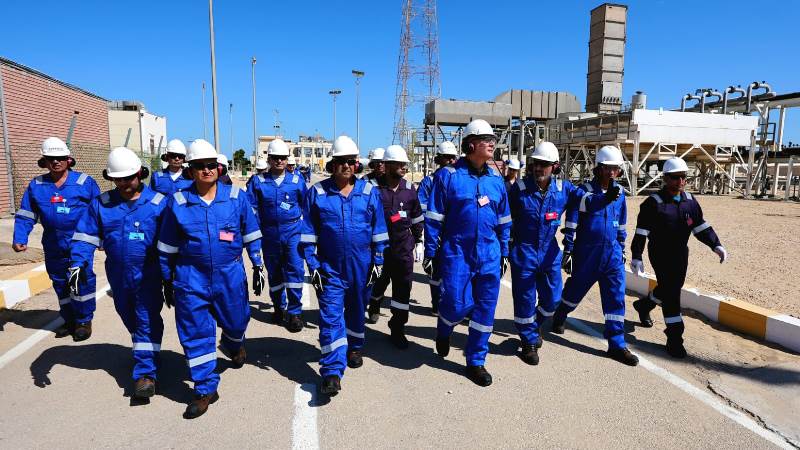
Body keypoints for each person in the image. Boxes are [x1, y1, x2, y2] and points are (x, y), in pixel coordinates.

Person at [157, 139, 264, 419]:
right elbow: (167, 245)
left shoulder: (236, 197)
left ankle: (232, 343)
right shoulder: (178, 202)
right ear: (190, 171)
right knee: (195, 333)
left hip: (230, 276)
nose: (206, 170)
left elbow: (251, 233)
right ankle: (204, 388)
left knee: (237, 321)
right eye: (199, 166)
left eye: (211, 165)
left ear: (218, 167)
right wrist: (166, 278)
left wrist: (258, 264)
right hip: (191, 277)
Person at [70, 147, 167, 399]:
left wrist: (172, 276)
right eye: (118, 179)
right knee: (129, 316)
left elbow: (173, 242)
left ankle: (145, 374)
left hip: (149, 274)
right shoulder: (101, 204)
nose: (124, 184)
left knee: (146, 318)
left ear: (140, 173)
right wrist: (78, 263)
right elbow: (85, 236)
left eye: (129, 178)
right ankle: (148, 352)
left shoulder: (158, 203)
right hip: (118, 274)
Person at [424, 119, 511, 387]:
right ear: (471, 145)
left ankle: (476, 361)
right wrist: (430, 252)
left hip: (489, 253)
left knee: (485, 308)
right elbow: (434, 218)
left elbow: (504, 220)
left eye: (493, 139)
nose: (492, 143)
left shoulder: (496, 180)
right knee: (455, 304)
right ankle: (444, 328)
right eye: (486, 139)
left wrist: (504, 252)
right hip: (457, 252)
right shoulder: (448, 176)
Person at [300, 135, 388, 396]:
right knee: (330, 317)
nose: (346, 165)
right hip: (330, 269)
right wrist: (313, 264)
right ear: (332, 164)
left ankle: (355, 347)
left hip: (363, 265)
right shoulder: (317, 193)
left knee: (357, 309)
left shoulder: (369, 192)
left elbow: (379, 230)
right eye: (341, 161)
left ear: (357, 164)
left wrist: (379, 260)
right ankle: (331, 371)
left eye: (351, 161)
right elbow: (308, 232)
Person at [630, 157, 727, 358]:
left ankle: (645, 305)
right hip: (660, 254)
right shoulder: (653, 203)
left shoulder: (690, 201)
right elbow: (641, 232)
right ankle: (674, 339)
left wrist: (715, 244)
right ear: (665, 178)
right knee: (672, 294)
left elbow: (700, 227)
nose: (681, 181)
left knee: (669, 288)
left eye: (683, 177)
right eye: (675, 177)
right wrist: (637, 255)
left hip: (680, 254)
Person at [551, 145, 639, 366]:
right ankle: (561, 313)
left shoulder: (620, 194)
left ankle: (617, 344)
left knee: (616, 298)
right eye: (607, 168)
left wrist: (622, 248)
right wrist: (569, 248)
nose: (611, 173)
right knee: (574, 292)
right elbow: (573, 221)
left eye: (615, 169)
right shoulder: (583, 191)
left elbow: (622, 224)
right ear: (598, 168)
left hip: (612, 255)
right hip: (587, 253)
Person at [13, 137, 100, 340]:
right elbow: (26, 214)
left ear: (68, 159)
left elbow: (98, 212)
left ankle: (83, 321)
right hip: (53, 243)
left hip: (80, 242)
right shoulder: (37, 185)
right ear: (44, 160)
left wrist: (102, 238)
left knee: (79, 279)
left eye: (60, 158)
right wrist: (20, 236)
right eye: (51, 158)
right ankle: (69, 319)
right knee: (60, 282)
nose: (56, 162)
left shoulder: (84, 182)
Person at [507, 142, 585, 365]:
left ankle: (534, 324)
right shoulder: (519, 189)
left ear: (555, 167)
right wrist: (505, 249)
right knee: (525, 299)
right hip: (524, 251)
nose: (539, 168)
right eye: (536, 163)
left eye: (544, 164)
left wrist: (606, 197)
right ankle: (528, 343)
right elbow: (504, 219)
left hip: (549, 252)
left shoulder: (563, 189)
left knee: (553, 299)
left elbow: (585, 199)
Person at [366, 145, 424, 349]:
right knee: (379, 283)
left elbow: (416, 217)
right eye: (399, 164)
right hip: (379, 249)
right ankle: (374, 302)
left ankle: (397, 327)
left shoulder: (409, 189)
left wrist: (419, 241)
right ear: (388, 165)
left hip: (403, 248)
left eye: (405, 164)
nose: (404, 167)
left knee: (403, 289)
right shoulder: (372, 188)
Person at [247, 138, 308, 332]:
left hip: (292, 232)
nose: (279, 161)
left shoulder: (297, 181)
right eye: (275, 158)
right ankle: (279, 307)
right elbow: (251, 210)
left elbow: (306, 207)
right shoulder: (258, 182)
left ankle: (295, 312)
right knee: (274, 272)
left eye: (283, 157)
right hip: (269, 233)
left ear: (287, 159)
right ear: (269, 159)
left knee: (295, 270)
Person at [418, 140, 458, 315]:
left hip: (454, 232)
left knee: (455, 270)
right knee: (435, 270)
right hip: (435, 231)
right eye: (446, 158)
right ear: (438, 159)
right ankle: (436, 303)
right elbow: (421, 206)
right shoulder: (429, 181)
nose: (450, 161)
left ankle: (452, 304)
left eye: (452, 158)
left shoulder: (458, 180)